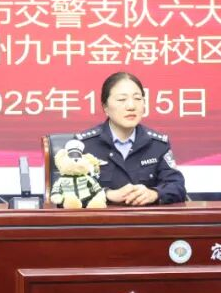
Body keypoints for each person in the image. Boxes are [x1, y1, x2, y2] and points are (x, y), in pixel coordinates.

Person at [72, 72, 187, 205]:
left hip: (145, 217)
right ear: (105, 107)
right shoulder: (84, 145)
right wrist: (106, 194)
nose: (131, 106)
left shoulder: (157, 144)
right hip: (101, 218)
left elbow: (177, 186)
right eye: (122, 100)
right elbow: (67, 191)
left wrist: (155, 193)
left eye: (137, 98)